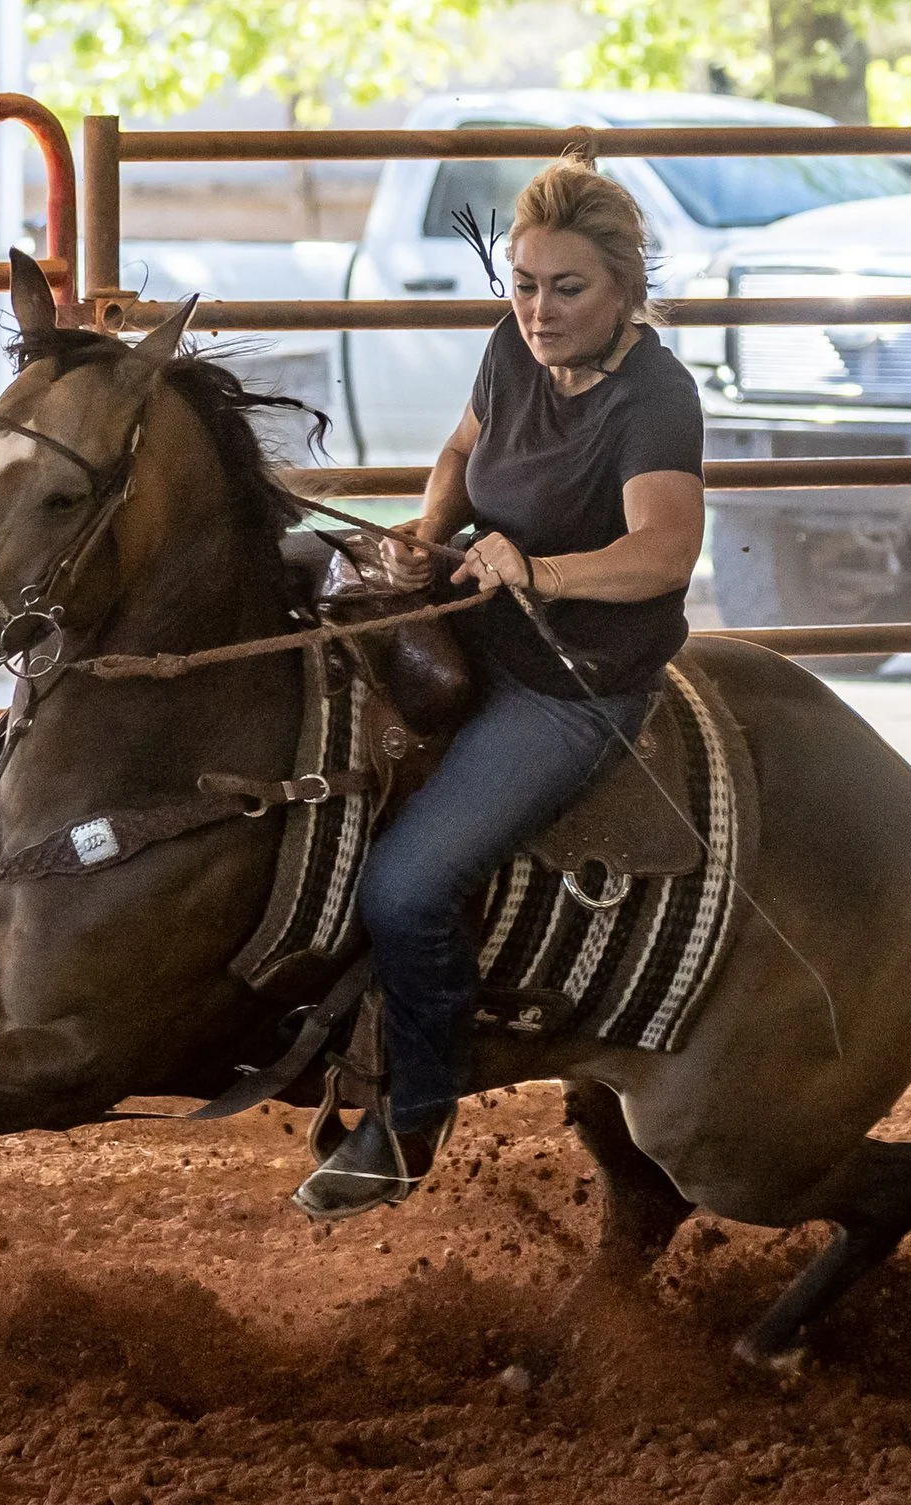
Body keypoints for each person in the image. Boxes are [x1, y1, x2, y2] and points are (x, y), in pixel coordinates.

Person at [294, 156, 708, 1221]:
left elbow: (663, 553)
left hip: (572, 685)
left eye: (565, 287)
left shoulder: (655, 398)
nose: (537, 309)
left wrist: (541, 571)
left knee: (406, 885)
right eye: (521, 283)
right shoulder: (510, 352)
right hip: (468, 629)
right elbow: (457, 450)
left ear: (622, 286)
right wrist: (424, 540)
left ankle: (413, 1115)